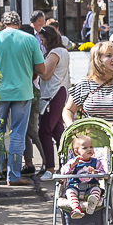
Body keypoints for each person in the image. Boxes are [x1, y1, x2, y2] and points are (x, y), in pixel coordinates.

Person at [63, 41, 113, 225]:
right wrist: (73, 128)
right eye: (109, 56)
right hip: (89, 146)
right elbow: (68, 110)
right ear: (98, 60)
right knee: (84, 183)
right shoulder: (84, 85)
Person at [0, 11, 45, 186]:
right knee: (18, 133)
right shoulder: (30, 40)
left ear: (3, 23)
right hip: (22, 91)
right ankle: (13, 176)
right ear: (19, 24)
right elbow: (41, 68)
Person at [37, 26, 70, 182]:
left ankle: (49, 169)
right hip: (58, 92)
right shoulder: (62, 51)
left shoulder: (55, 52)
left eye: (43, 39)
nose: (41, 42)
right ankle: (67, 165)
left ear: (49, 38)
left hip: (53, 94)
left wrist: (34, 65)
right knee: (58, 132)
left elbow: (45, 75)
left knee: (44, 131)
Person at [19, 10, 47, 178]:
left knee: (32, 131)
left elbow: (38, 72)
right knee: (25, 131)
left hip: (32, 92)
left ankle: (47, 161)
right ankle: (29, 163)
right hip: (29, 91)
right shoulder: (29, 49)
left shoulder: (31, 50)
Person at [57, 134, 106, 219]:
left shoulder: (96, 162)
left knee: (97, 190)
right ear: (76, 151)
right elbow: (63, 172)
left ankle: (92, 204)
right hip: (75, 188)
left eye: (91, 147)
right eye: (85, 148)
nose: (89, 149)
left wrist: (95, 172)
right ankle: (76, 209)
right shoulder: (73, 162)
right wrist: (72, 165)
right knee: (69, 192)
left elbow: (103, 174)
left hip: (91, 188)